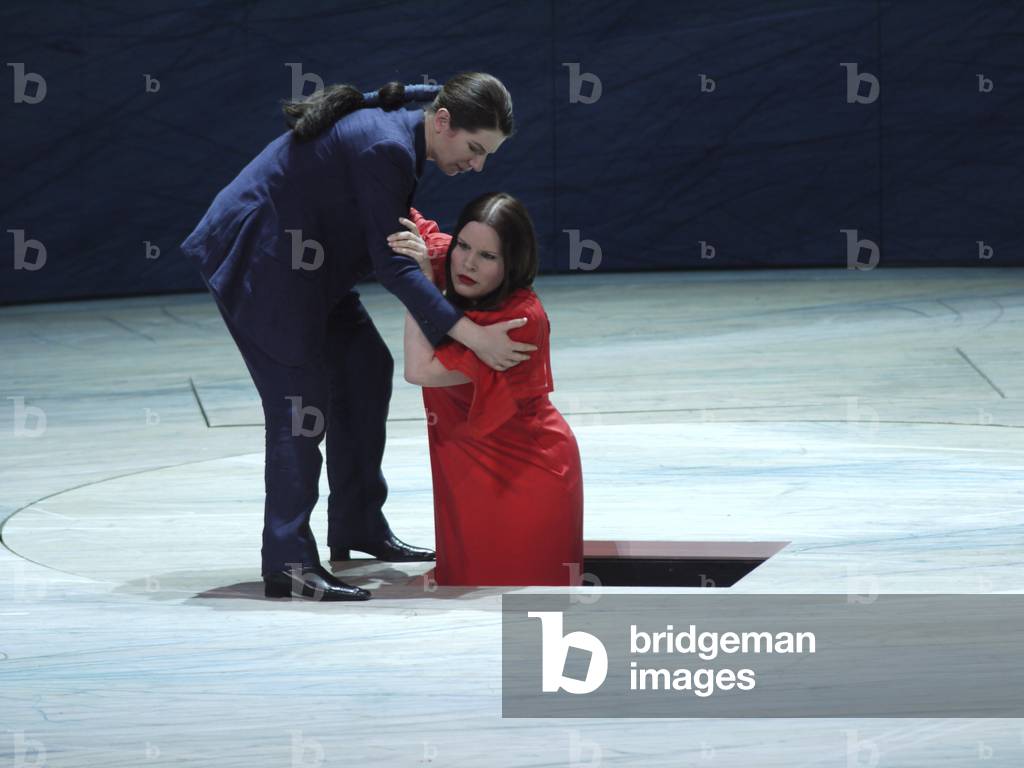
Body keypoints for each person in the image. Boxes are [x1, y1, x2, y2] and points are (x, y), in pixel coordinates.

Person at [179, 74, 538, 601]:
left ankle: (358, 524)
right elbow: (394, 266)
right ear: (444, 124)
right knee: (300, 407)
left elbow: (391, 230)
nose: (478, 165)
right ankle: (287, 561)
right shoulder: (387, 146)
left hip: (312, 264)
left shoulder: (416, 120)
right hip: (265, 261)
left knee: (367, 368)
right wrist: (471, 337)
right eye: (475, 149)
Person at [396, 194, 583, 586]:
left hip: (524, 475)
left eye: (487, 256)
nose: (467, 262)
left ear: (511, 263)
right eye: (463, 246)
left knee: (517, 613)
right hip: (467, 475)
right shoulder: (455, 265)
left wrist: (417, 283)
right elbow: (406, 216)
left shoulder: (520, 321)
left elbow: (419, 370)